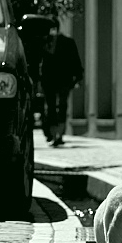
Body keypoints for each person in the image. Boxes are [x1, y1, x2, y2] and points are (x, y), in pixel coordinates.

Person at [39, 17, 84, 147]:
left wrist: (78, 76)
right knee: (51, 107)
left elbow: (75, 58)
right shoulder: (44, 42)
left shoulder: (67, 42)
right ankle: (53, 134)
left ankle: (59, 134)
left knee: (62, 106)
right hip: (48, 81)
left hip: (64, 80)